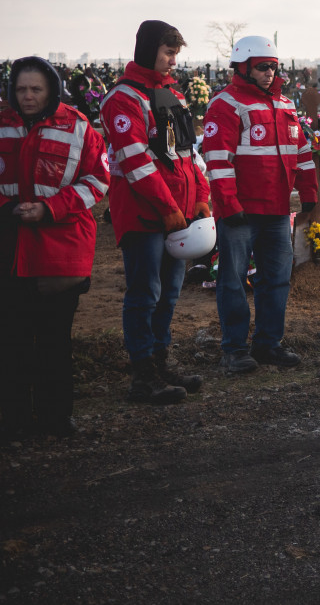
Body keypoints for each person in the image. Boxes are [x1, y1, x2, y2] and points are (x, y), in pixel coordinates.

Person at [1, 57, 109, 438]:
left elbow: (98, 179)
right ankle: (11, 421)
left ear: (51, 90)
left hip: (57, 246)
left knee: (54, 339)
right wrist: (8, 208)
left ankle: (55, 417)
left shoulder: (78, 127)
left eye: (36, 89)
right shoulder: (1, 124)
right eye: (21, 89)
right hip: (9, 245)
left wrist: (50, 208)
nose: (27, 97)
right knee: (10, 338)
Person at [101, 21, 209, 404]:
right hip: (144, 214)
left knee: (169, 294)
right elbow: (135, 163)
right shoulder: (123, 98)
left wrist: (201, 197)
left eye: (176, 54)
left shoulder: (172, 95)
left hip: (178, 214)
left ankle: (161, 361)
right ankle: (143, 375)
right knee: (145, 292)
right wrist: (166, 208)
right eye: (167, 53)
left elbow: (188, 153)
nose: (172, 61)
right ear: (148, 50)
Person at [202, 35, 319, 374]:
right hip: (240, 212)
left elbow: (302, 153)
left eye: (273, 67)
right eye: (262, 67)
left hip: (277, 210)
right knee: (233, 280)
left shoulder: (284, 104)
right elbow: (217, 159)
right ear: (243, 67)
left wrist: (309, 192)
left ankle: (268, 343)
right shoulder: (225, 104)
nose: (269, 73)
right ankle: (235, 350)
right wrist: (229, 203)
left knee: (278, 279)